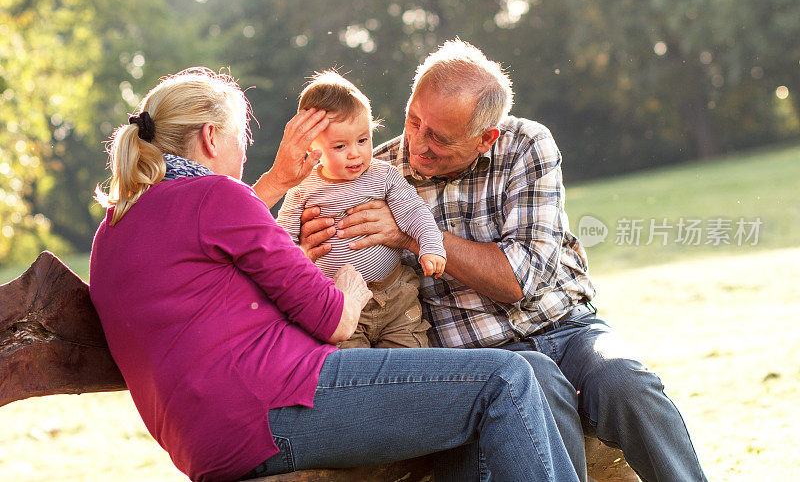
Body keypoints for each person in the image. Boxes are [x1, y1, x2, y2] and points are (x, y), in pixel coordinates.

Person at [88, 67, 579, 482]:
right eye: (243, 137)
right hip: (275, 404)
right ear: (211, 137)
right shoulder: (215, 198)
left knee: (527, 372)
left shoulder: (115, 226)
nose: (244, 152)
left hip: (206, 435)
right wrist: (351, 267)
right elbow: (337, 321)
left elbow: (216, 250)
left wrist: (287, 221)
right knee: (509, 377)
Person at [300, 40, 708, 482]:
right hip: (482, 354)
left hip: (568, 327)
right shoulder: (371, 171)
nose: (418, 144)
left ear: (485, 137)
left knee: (628, 384)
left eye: (439, 137)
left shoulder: (527, 146)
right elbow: (323, 259)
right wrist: (312, 245)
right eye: (414, 121)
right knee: (539, 389)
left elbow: (518, 279)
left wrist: (411, 234)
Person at [276, 71, 445, 349]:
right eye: (340, 146)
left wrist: (430, 245)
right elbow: (282, 239)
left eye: (363, 140)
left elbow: (415, 211)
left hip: (395, 298)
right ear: (312, 147)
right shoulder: (303, 188)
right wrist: (301, 260)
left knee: (409, 367)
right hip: (338, 304)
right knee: (352, 371)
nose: (355, 153)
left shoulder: (383, 176)